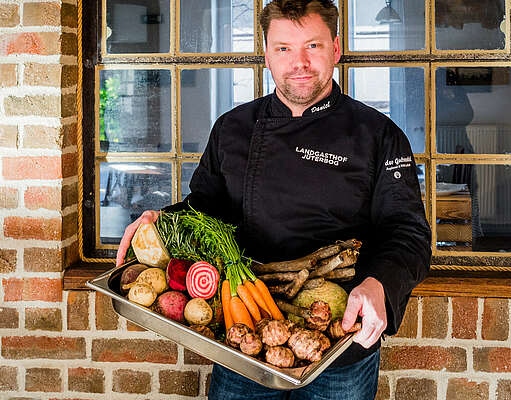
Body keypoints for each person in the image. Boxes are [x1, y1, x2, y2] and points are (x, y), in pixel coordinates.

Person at [116, 1, 431, 398]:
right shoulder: (232, 129)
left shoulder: (379, 135)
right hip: (243, 335)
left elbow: (408, 233)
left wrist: (380, 285)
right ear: (267, 54)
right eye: (283, 48)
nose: (299, 62)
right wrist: (164, 219)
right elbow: (204, 206)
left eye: (312, 46)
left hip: (337, 344)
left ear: (335, 48)